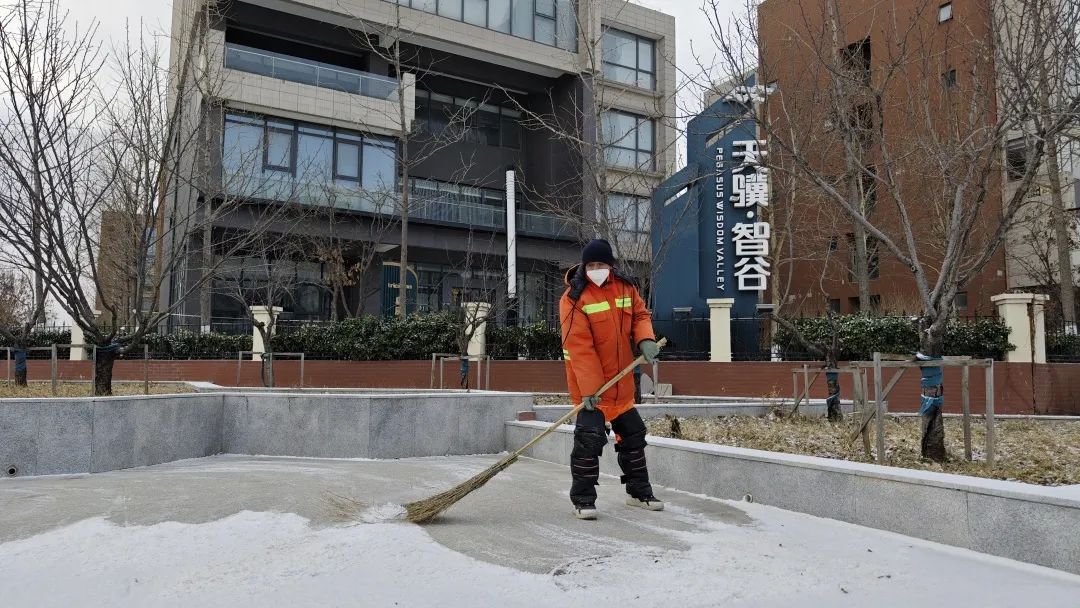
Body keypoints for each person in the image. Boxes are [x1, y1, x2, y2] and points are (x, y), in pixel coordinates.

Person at [559, 238, 663, 520]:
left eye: (601, 264)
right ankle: (583, 499)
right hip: (590, 386)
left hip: (622, 383)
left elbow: (640, 315)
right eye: (591, 265)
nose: (596, 269)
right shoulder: (573, 298)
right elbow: (579, 347)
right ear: (584, 266)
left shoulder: (626, 288)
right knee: (589, 440)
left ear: (610, 266)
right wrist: (590, 390)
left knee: (634, 436)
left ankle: (639, 493)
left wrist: (645, 339)